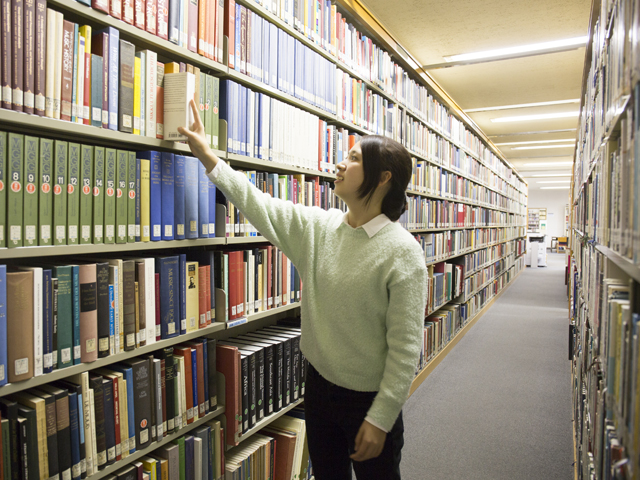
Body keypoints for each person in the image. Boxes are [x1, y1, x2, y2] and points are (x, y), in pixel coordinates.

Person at [179, 99, 428, 480]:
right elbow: (257, 202)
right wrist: (207, 156)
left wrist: (381, 418)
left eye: (355, 158)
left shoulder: (402, 253)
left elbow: (406, 349)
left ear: (383, 178)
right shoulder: (318, 228)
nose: (340, 164)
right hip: (318, 386)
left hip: (368, 399)